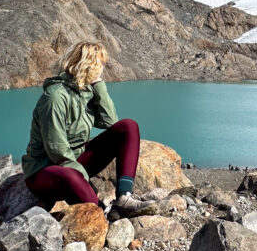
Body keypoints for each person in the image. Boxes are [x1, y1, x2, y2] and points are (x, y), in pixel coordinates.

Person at [21, 41, 156, 219]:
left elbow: (110, 121)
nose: (102, 69)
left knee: (128, 126)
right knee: (72, 176)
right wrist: (83, 176)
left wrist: (99, 85)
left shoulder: (86, 91)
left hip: (73, 160)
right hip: (44, 169)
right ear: (86, 64)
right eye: (99, 64)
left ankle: (124, 198)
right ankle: (102, 213)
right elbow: (56, 149)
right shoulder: (55, 97)